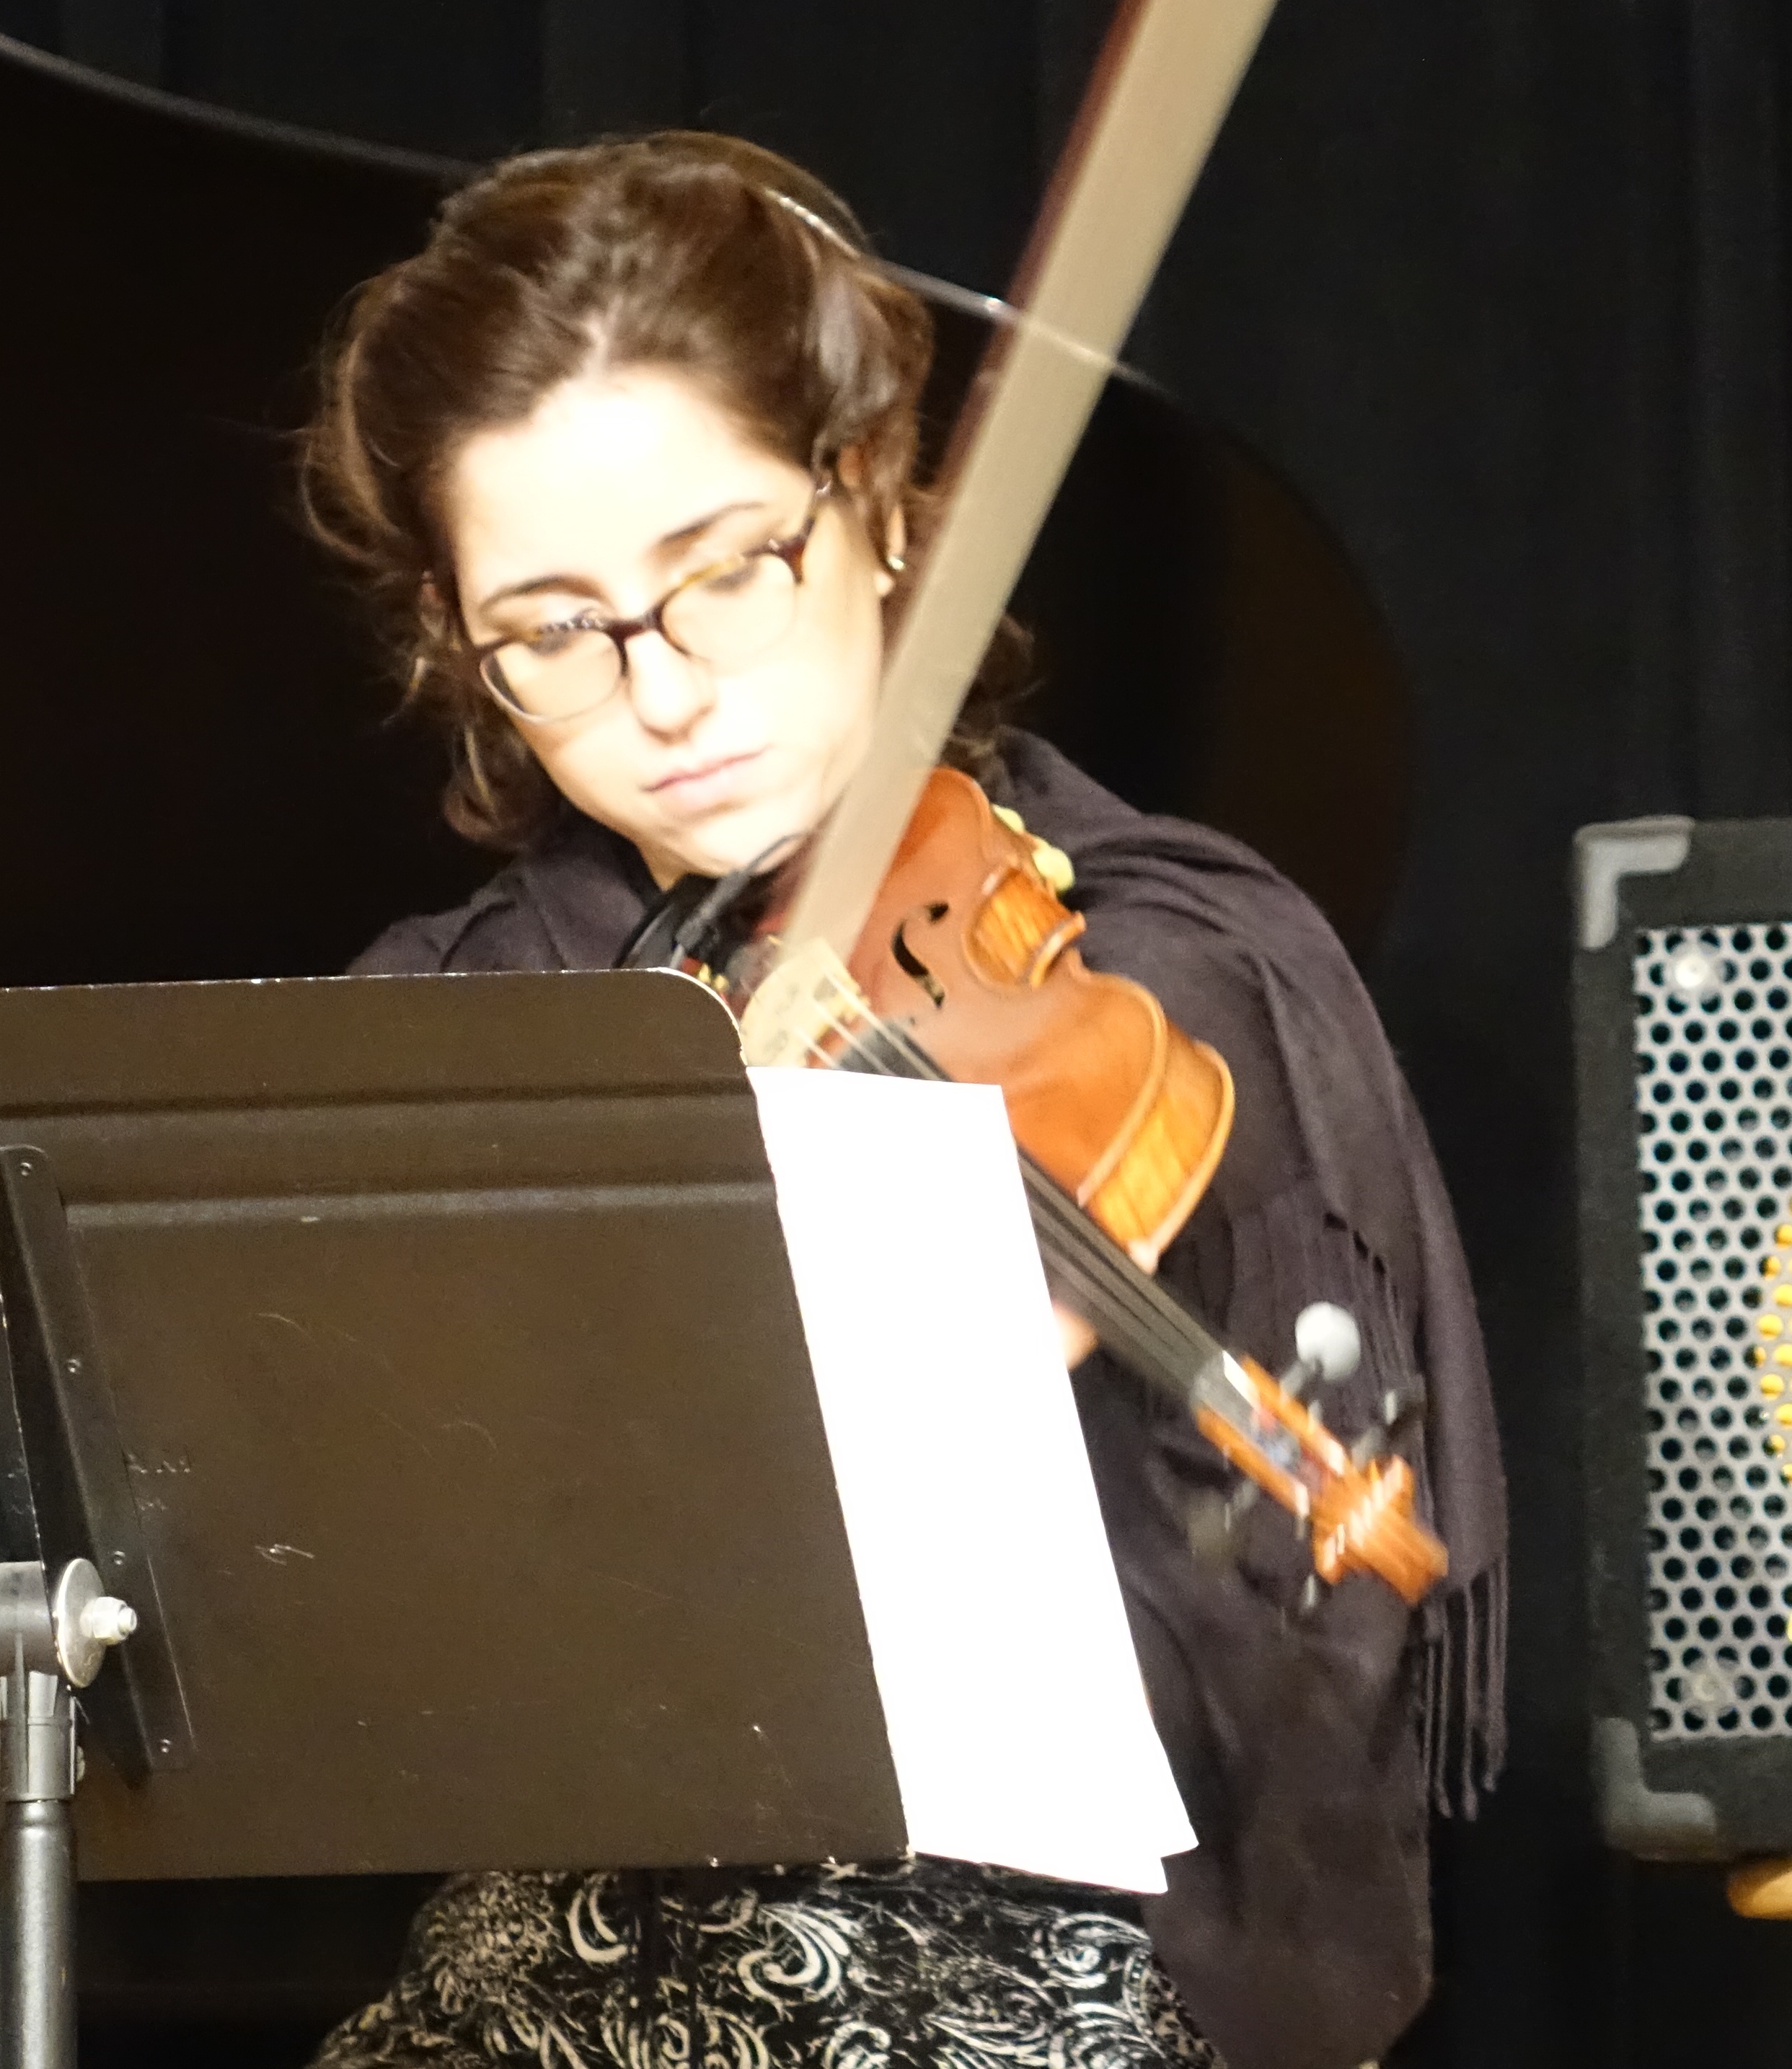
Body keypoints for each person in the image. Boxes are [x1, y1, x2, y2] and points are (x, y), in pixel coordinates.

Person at [295, 131, 1505, 2069]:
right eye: (551, 630)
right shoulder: (445, 1020)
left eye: (726, 573)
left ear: (879, 513)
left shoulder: (1169, 957)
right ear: (461, 641)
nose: (663, 690)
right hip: (549, 1983)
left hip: (1066, 1976)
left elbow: (1239, 1661)